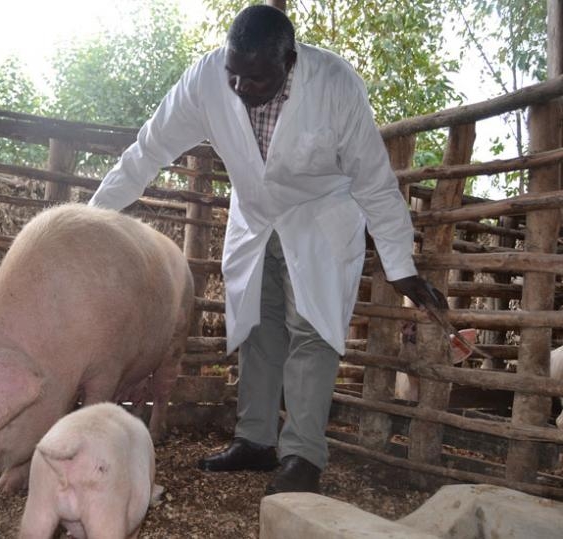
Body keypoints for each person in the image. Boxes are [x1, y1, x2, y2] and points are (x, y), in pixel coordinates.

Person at [87, 5, 447, 495]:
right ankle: (255, 440)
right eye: (235, 75)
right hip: (255, 218)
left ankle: (302, 455)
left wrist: (400, 265)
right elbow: (148, 150)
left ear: (289, 60)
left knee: (312, 332)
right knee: (256, 325)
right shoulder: (207, 79)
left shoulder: (335, 84)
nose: (241, 88)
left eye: (257, 79)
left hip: (320, 219)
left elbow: (374, 182)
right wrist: (90, 218)